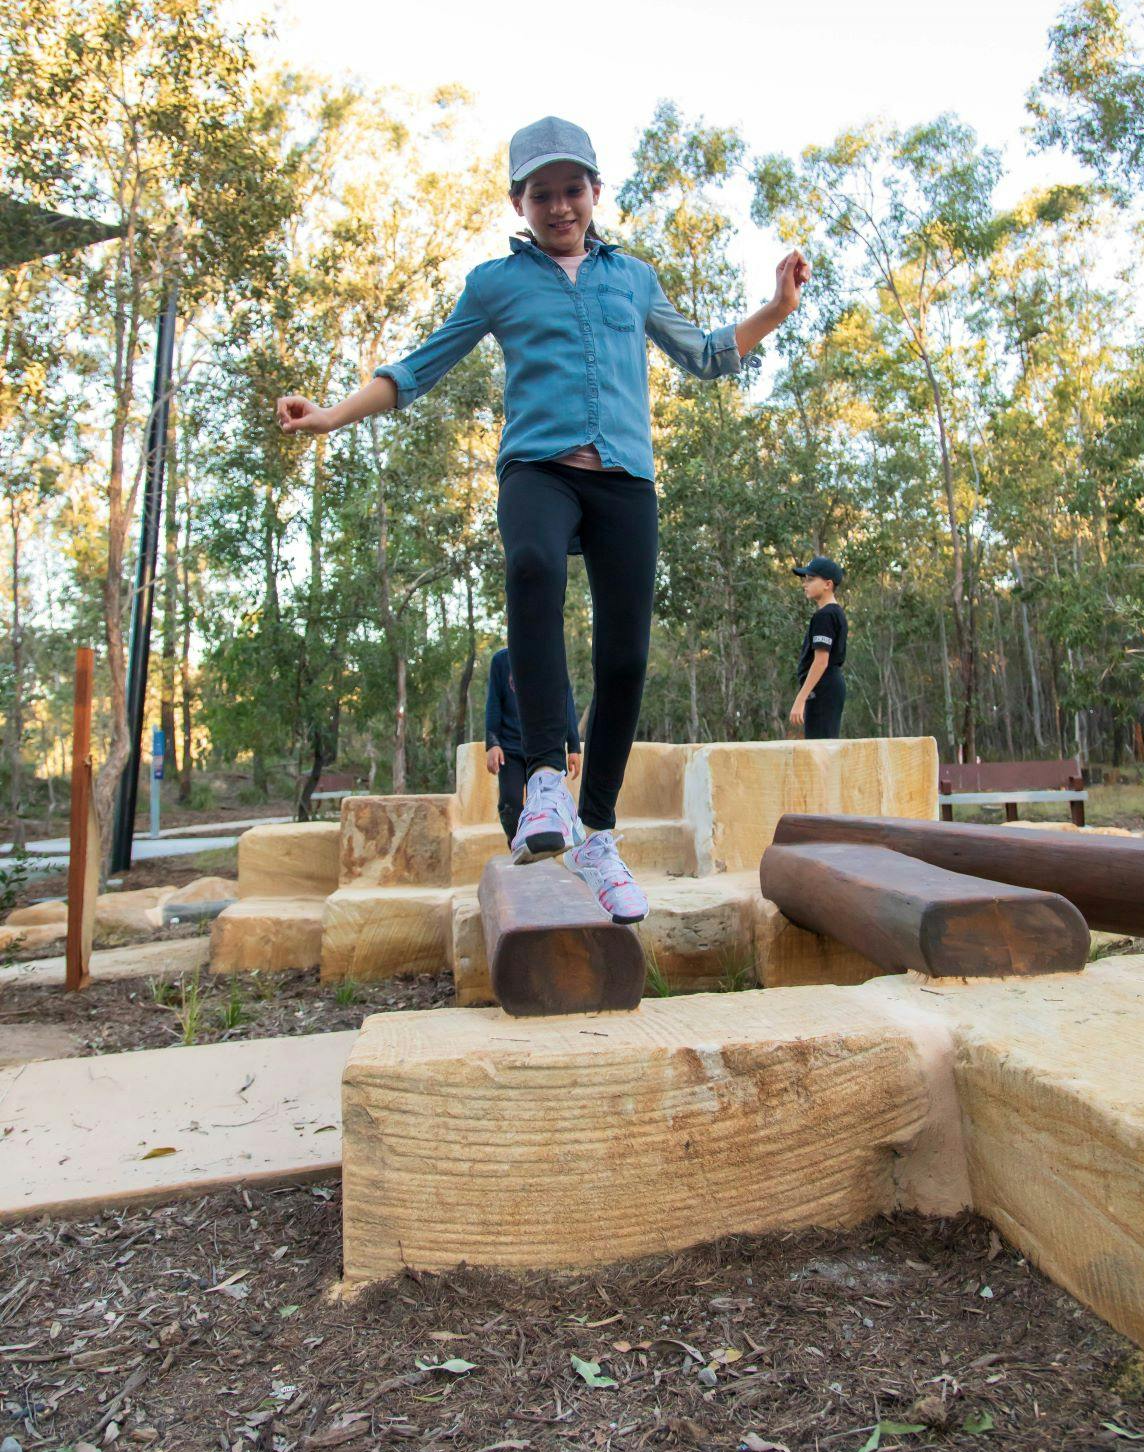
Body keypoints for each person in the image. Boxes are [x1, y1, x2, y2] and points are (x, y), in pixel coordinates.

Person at [277, 115, 809, 924]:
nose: (559, 206)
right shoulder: (496, 282)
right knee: (529, 565)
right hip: (537, 470)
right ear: (518, 201)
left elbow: (704, 354)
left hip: (625, 481)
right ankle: (544, 784)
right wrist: (329, 417)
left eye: (572, 190)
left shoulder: (632, 278)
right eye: (541, 194)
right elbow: (417, 368)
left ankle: (597, 834)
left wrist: (774, 308)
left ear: (595, 193)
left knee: (626, 655)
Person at [485, 647, 581, 847]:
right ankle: (519, 845)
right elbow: (493, 701)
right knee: (509, 804)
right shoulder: (501, 661)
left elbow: (565, 701)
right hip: (510, 749)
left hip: (543, 747)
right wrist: (492, 743)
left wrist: (573, 745)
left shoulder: (551, 656)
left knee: (542, 803)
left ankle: (542, 848)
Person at [789, 556, 848, 739]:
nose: (805, 584)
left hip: (823, 687)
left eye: (811, 579)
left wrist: (801, 698)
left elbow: (821, 661)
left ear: (827, 584)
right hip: (828, 686)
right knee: (823, 747)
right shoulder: (835, 613)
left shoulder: (826, 615)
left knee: (820, 751)